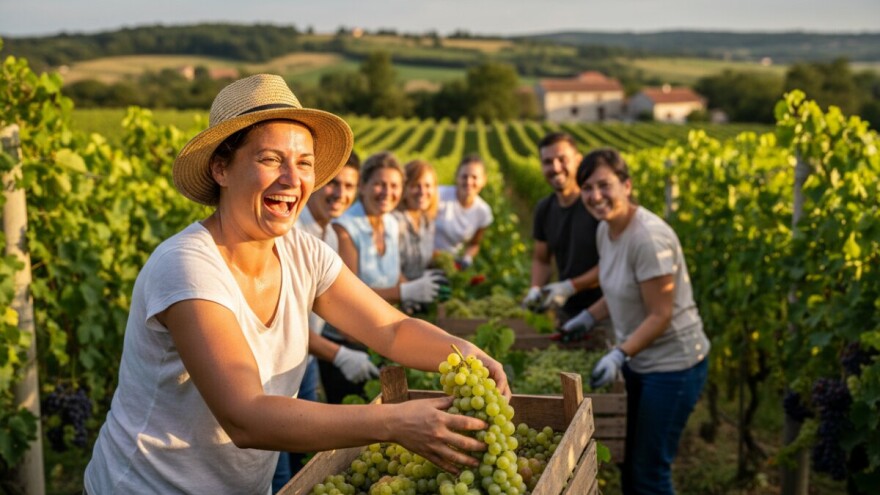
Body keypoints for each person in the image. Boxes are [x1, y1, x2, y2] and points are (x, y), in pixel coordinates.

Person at [84, 74, 510, 494]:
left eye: (304, 162)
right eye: (270, 159)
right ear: (221, 168)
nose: (293, 179)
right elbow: (245, 417)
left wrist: (464, 354)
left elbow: (392, 330)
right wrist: (392, 423)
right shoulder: (187, 267)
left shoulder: (302, 252)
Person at [571, 147, 710, 494]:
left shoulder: (648, 237)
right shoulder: (606, 229)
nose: (595, 195)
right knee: (633, 466)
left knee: (650, 473)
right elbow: (618, 287)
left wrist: (619, 354)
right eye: (587, 188)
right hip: (642, 360)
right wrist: (588, 317)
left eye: (604, 185)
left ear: (627, 185)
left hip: (674, 367)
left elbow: (661, 314)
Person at [272, 151, 378, 492]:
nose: (340, 193)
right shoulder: (287, 231)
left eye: (349, 186)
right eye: (333, 183)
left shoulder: (330, 234)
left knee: (305, 457)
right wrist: (340, 354)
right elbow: (285, 328)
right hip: (273, 364)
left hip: (305, 358)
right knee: (275, 461)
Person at [327, 151, 446, 403]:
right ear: (363, 186)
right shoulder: (344, 228)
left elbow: (395, 272)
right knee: (354, 422)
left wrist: (413, 288)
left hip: (381, 337)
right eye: (379, 184)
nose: (386, 192)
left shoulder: (391, 223)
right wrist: (404, 292)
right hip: (349, 344)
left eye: (394, 185)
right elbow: (350, 297)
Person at [521, 132, 603, 331]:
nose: (555, 168)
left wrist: (571, 286)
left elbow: (614, 263)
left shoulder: (597, 205)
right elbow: (541, 259)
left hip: (605, 312)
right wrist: (535, 288)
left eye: (562, 159)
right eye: (548, 162)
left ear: (578, 160)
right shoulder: (544, 209)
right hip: (567, 311)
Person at [434, 154, 493, 268]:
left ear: (483, 180)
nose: (469, 182)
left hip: (450, 263)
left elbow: (474, 244)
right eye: (464, 176)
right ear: (457, 177)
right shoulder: (439, 195)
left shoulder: (483, 212)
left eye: (474, 177)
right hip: (425, 257)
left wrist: (467, 258)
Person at [394, 159, 438, 281]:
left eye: (428, 186)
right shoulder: (394, 221)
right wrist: (413, 291)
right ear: (403, 188)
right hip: (397, 294)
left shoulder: (427, 221)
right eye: (415, 186)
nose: (422, 192)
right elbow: (391, 271)